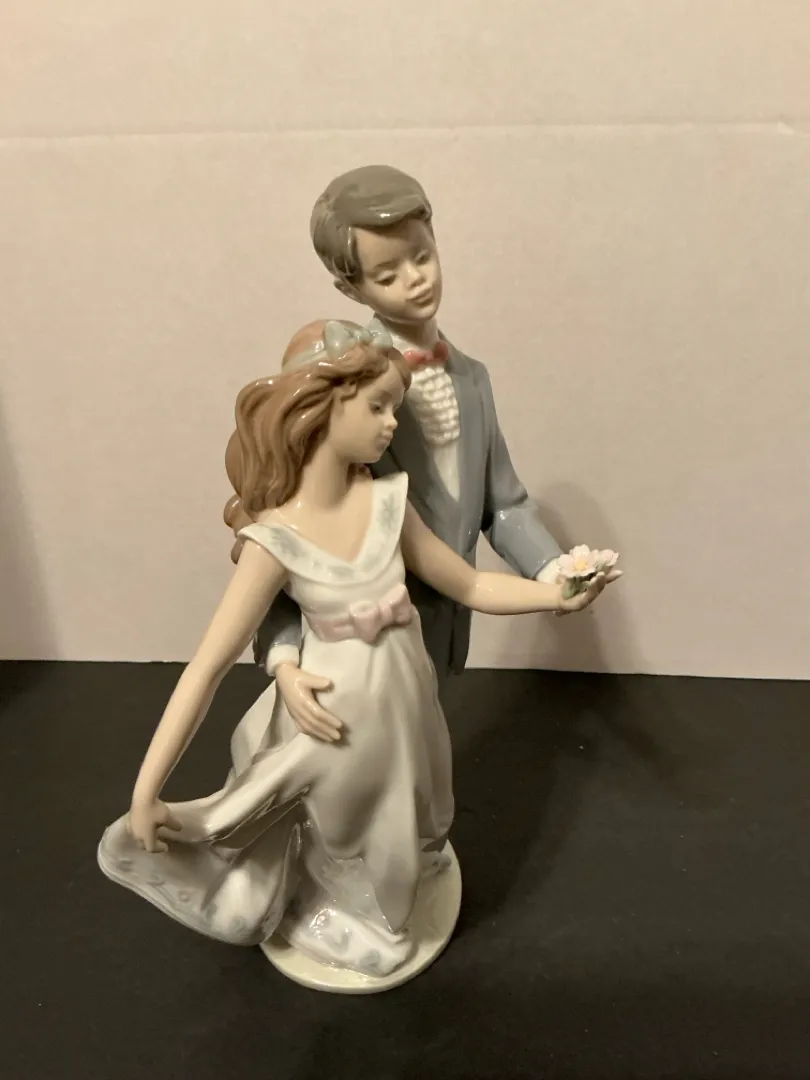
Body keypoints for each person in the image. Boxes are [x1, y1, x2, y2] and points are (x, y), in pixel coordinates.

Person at [98, 320, 619, 979]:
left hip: (406, 698)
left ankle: (377, 901)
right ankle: (344, 908)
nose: (391, 425)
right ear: (323, 404)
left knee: (419, 806)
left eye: (394, 407)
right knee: (346, 824)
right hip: (337, 721)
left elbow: (468, 583)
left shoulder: (388, 503)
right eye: (377, 406)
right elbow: (206, 668)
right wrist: (147, 788)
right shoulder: (274, 541)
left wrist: (554, 596)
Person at [246, 165, 596, 739]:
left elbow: (504, 504)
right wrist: (284, 652)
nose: (415, 281)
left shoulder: (474, 379)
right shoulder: (344, 384)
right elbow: (292, 517)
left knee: (423, 745)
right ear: (350, 289)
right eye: (387, 274)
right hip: (358, 636)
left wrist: (553, 570)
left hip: (446, 617)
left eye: (422, 257)